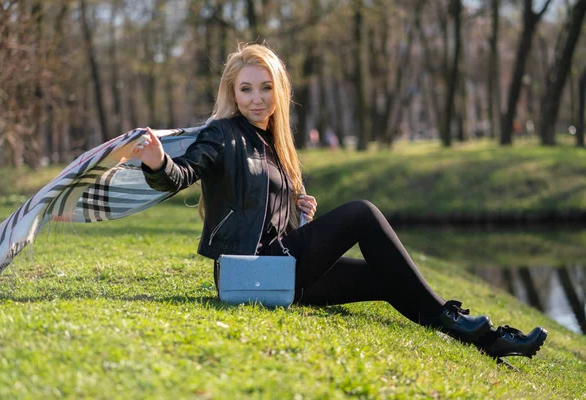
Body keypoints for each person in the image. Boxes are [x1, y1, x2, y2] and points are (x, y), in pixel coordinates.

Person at [132, 43, 547, 360]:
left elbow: (267, 222)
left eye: (266, 87)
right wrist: (158, 162)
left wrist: (298, 219)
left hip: (279, 269)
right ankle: (454, 317)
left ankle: (489, 341)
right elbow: (182, 174)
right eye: (246, 89)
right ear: (232, 92)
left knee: (388, 277)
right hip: (249, 275)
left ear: (279, 90)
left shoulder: (275, 145)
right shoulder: (222, 134)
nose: (256, 98)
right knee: (362, 213)